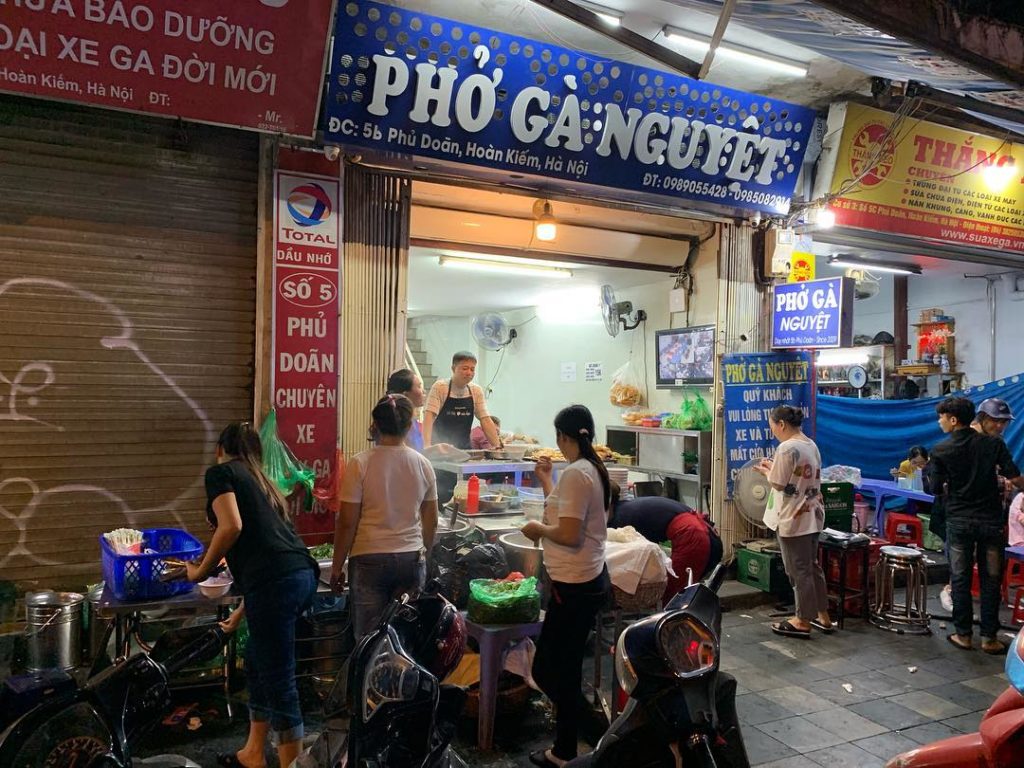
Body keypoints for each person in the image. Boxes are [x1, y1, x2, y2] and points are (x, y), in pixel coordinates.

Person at [186, 422, 318, 768]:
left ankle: (292, 764)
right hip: (300, 577)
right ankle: (253, 752)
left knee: (279, 679)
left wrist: (198, 570)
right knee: (258, 659)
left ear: (220, 449)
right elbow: (269, 550)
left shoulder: (221, 473)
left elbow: (231, 527)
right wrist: (244, 609)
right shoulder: (263, 482)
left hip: (278, 584)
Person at [521, 405, 611, 768]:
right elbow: (567, 516)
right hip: (584, 579)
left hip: (573, 585)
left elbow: (570, 534)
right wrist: (546, 481)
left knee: (547, 670)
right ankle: (566, 749)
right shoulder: (592, 470)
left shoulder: (578, 474)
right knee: (568, 667)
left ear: (563, 437)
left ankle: (593, 732)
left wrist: (536, 530)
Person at [331, 394, 438, 638]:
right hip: (410, 559)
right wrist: (425, 555)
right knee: (406, 638)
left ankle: (371, 677)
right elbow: (431, 521)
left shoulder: (360, 464)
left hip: (369, 559)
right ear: (410, 427)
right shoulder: (423, 464)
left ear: (375, 425)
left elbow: (347, 523)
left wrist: (337, 567)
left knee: (369, 641)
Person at [931, 396, 1024, 654]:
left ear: (952, 419)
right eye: (997, 421)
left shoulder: (941, 449)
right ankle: (989, 638)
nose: (1001, 427)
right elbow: (1015, 477)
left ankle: (963, 635)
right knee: (991, 579)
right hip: (990, 523)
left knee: (960, 578)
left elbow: (935, 489)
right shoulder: (994, 446)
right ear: (981, 418)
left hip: (959, 522)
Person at [754, 405, 834, 639]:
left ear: (781, 425)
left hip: (794, 517)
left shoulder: (787, 447)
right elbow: (796, 478)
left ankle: (802, 620)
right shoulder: (810, 444)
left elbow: (778, 484)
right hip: (813, 515)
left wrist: (766, 472)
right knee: (812, 567)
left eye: (773, 427)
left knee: (798, 571)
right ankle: (823, 615)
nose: (773, 432)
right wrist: (774, 469)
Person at [607, 482, 723, 601]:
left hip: (693, 536)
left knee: (673, 595)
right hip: (707, 533)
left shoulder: (620, 518)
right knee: (687, 589)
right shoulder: (627, 507)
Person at [423, 351, 502, 502]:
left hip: (464, 451)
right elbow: (429, 417)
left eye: (472, 369)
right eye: (465, 368)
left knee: (462, 494)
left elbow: (485, 419)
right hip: (441, 451)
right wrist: (427, 445)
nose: (469, 372)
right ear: (453, 368)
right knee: (441, 493)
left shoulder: (476, 391)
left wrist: (497, 446)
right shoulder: (440, 387)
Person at [385, 368, 426, 451]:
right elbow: (407, 455)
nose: (423, 391)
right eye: (419, 386)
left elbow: (417, 452)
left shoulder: (412, 420)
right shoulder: (400, 424)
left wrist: (436, 449)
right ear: (405, 395)